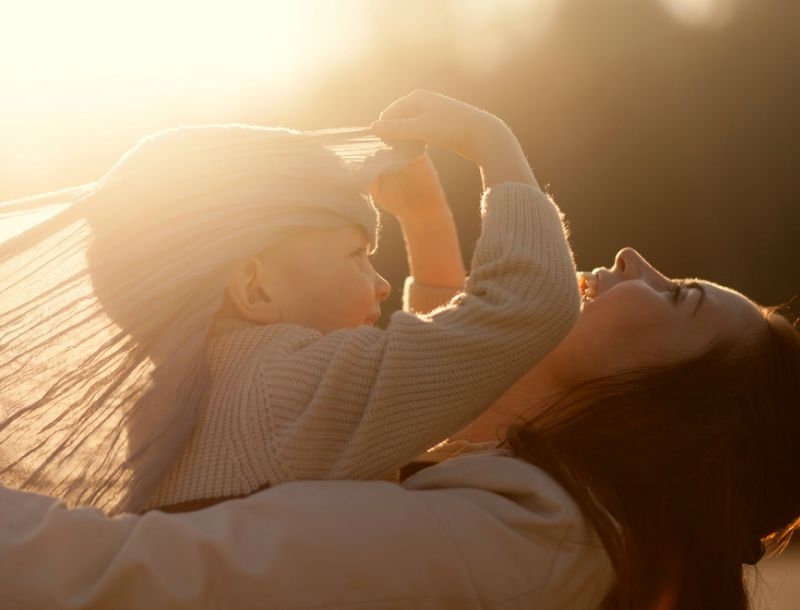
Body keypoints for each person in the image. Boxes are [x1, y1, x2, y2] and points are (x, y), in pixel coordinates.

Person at [0, 247, 796, 610]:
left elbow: (117, 578)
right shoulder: (563, 530)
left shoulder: (507, 542)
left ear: (679, 413)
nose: (631, 258)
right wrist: (423, 220)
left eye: (678, 295)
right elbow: (433, 389)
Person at [0, 91, 579, 514]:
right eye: (356, 255)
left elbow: (424, 381)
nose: (381, 285)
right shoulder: (285, 388)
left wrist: (426, 225)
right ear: (254, 290)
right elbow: (523, 308)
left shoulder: (170, 402)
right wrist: (493, 143)